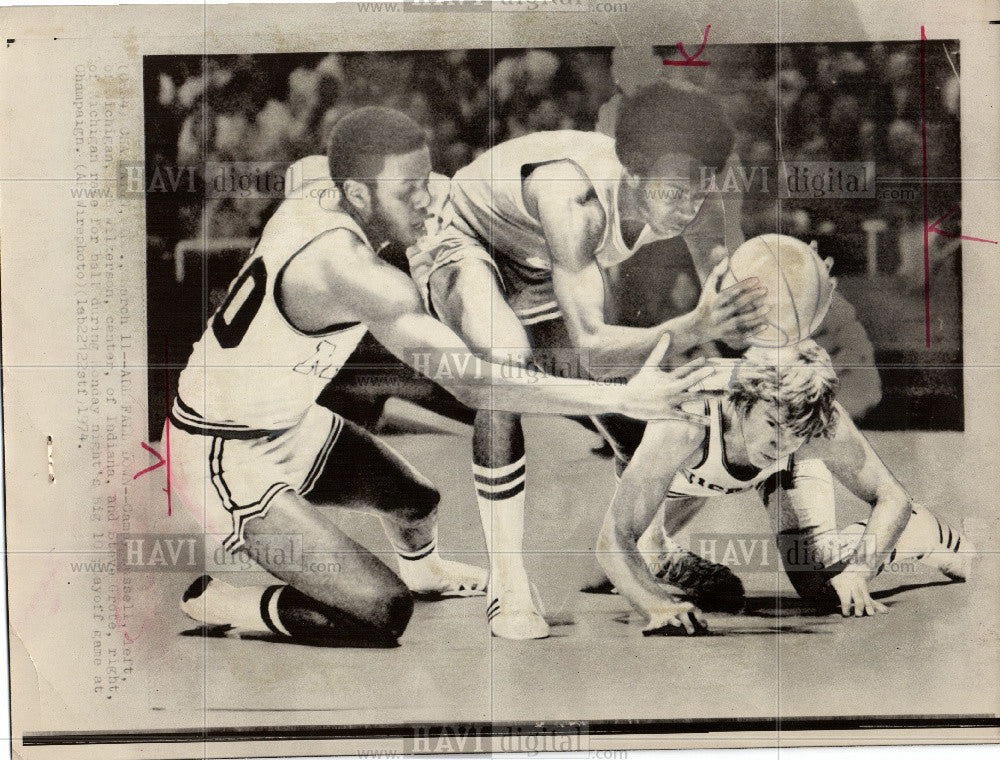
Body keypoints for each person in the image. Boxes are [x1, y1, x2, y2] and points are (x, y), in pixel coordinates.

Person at [171, 106, 719, 644]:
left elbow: (310, 165)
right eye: (408, 191)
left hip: (290, 423)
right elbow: (478, 385)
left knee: (419, 503)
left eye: (424, 179)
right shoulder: (364, 277)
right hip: (222, 452)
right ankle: (221, 601)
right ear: (359, 196)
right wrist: (621, 397)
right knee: (380, 611)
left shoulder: (317, 189)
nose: (430, 198)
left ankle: (426, 570)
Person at [407, 81, 769, 639]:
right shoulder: (572, 199)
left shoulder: (693, 197)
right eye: (674, 194)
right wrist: (695, 325)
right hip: (465, 241)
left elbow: (739, 301)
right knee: (507, 369)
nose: (689, 209)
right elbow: (595, 351)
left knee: (646, 407)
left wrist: (786, 297)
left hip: (540, 263)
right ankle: (508, 584)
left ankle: (648, 548)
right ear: (634, 167)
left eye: (700, 194)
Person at [595, 340, 973, 636]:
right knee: (613, 567)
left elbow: (892, 496)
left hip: (733, 472)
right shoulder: (685, 421)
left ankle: (923, 532)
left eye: (799, 433)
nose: (784, 443)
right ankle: (660, 553)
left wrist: (861, 570)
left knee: (823, 587)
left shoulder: (814, 422)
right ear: (745, 399)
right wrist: (657, 606)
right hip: (676, 471)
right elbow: (613, 537)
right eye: (774, 424)